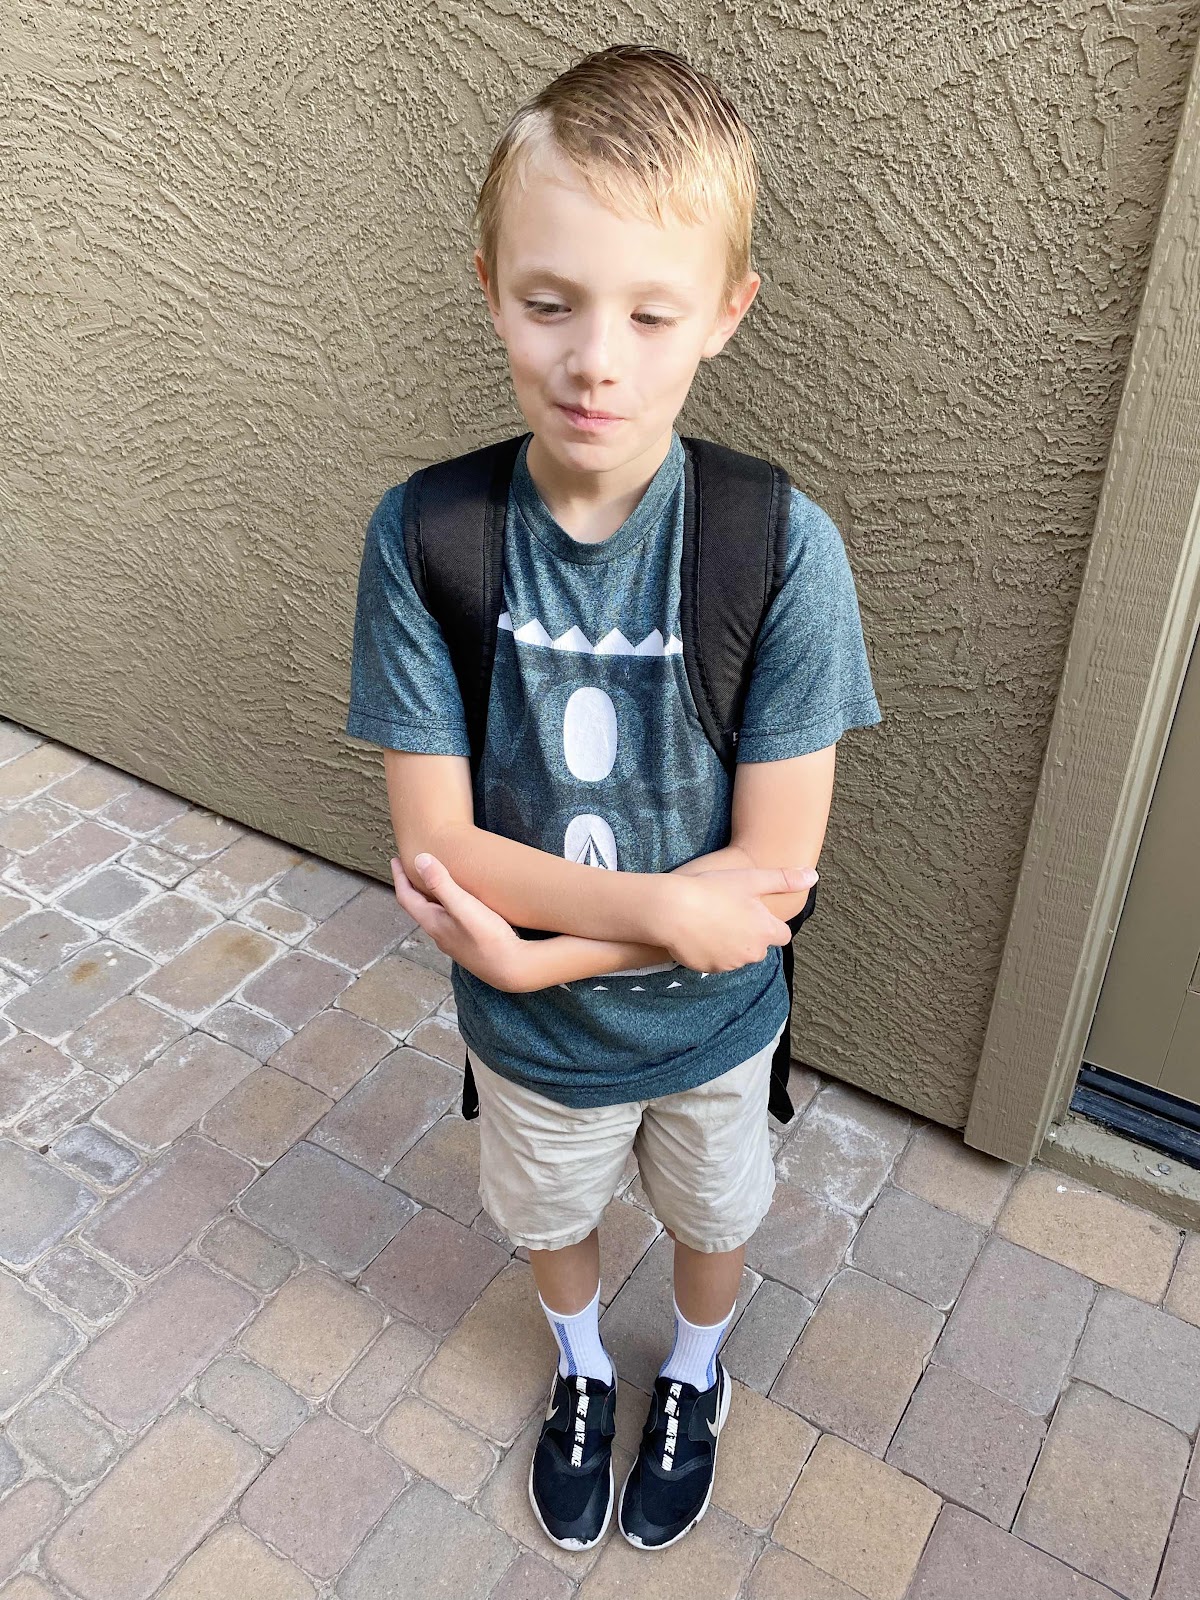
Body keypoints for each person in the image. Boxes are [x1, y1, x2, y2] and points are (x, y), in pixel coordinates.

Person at [345, 43, 882, 1554]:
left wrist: (540, 950)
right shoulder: (431, 535)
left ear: (726, 311)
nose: (597, 361)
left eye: (651, 314)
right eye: (551, 302)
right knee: (550, 1218)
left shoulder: (776, 545)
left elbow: (770, 884)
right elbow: (438, 845)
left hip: (712, 1033)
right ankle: (585, 1366)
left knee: (714, 1222)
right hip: (532, 1045)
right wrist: (643, 919)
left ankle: (694, 1368)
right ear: (490, 288)